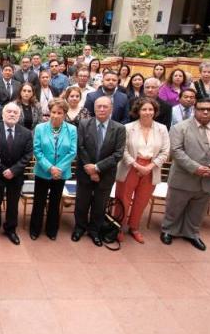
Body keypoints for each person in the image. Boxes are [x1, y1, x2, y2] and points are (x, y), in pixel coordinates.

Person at [160, 97, 210, 251]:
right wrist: (195, 167)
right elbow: (176, 150)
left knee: (198, 210)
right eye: (201, 109)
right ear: (195, 110)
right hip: (184, 176)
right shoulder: (180, 128)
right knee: (175, 207)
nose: (205, 112)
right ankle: (168, 230)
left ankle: (192, 233)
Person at [73, 96, 126, 247]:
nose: (102, 109)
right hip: (85, 171)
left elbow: (118, 154)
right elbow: (80, 147)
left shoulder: (119, 128)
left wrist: (97, 168)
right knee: (81, 203)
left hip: (106, 174)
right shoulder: (84, 124)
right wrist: (90, 169)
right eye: (99, 107)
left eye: (105, 106)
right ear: (94, 108)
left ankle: (94, 231)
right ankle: (79, 228)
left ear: (111, 109)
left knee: (100, 204)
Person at [115, 98, 170, 244]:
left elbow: (165, 152)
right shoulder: (127, 128)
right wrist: (137, 165)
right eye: (144, 109)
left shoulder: (162, 128)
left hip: (151, 168)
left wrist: (149, 167)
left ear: (155, 111)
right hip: (130, 167)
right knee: (123, 199)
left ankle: (134, 227)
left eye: (150, 109)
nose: (147, 112)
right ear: (138, 111)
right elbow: (123, 150)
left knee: (142, 200)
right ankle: (118, 227)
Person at [30, 98, 77, 240]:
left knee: (55, 202)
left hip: (61, 173)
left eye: (60, 113)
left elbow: (72, 152)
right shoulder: (40, 128)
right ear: (49, 112)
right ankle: (35, 229)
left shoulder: (72, 129)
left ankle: (52, 230)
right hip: (43, 171)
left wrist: (59, 169)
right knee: (39, 201)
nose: (56, 115)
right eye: (53, 112)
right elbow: (37, 150)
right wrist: (50, 168)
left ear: (65, 114)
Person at [0, 103, 32, 245]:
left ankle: (11, 229)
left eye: (15, 112)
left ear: (19, 116)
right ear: (3, 114)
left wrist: (14, 170)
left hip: (16, 176)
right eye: (9, 112)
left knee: (13, 204)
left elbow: (28, 154)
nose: (12, 114)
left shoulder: (26, 133)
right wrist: (3, 169)